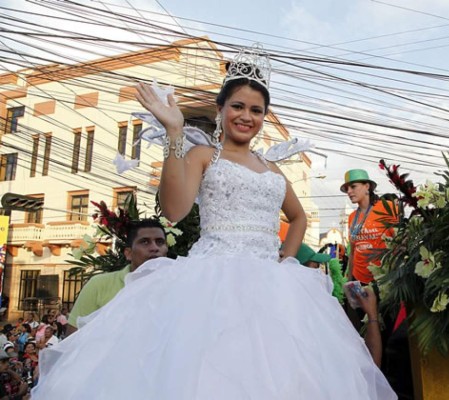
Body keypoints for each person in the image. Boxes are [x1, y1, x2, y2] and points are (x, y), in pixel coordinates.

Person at [33, 44, 396, 399]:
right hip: (211, 282)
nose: (246, 116)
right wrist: (175, 132)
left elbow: (298, 216)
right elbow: (174, 210)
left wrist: (285, 258)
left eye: (256, 110)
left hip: (276, 289)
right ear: (220, 108)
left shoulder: (272, 168)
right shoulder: (203, 155)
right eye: (237, 106)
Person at [64, 218, 168, 337]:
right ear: (128, 253)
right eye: (145, 242)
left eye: (160, 242)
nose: (154, 248)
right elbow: (72, 338)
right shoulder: (99, 285)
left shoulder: (178, 285)